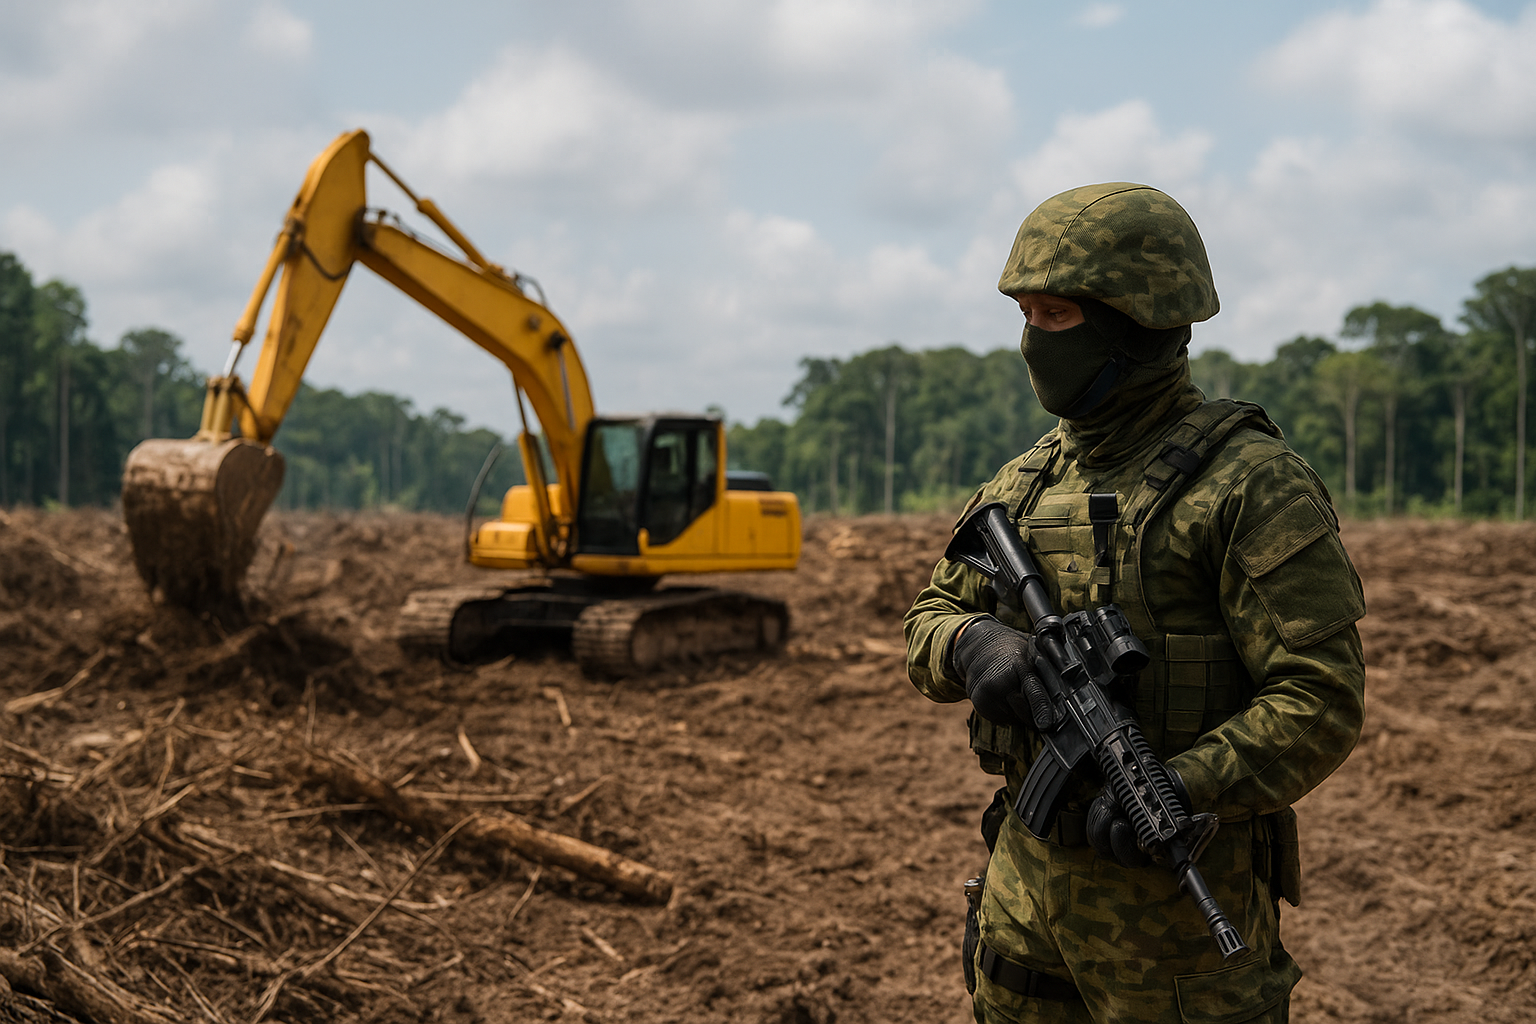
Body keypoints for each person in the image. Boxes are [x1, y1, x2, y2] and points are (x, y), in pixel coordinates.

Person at [904, 182, 1366, 1024]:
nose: (1031, 342)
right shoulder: (1025, 482)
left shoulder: (1251, 485)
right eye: (1028, 316)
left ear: (1136, 322)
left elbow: (1320, 699)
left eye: (1055, 317)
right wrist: (977, 645)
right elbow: (926, 619)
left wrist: (1186, 783)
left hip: (1176, 938)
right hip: (1024, 908)